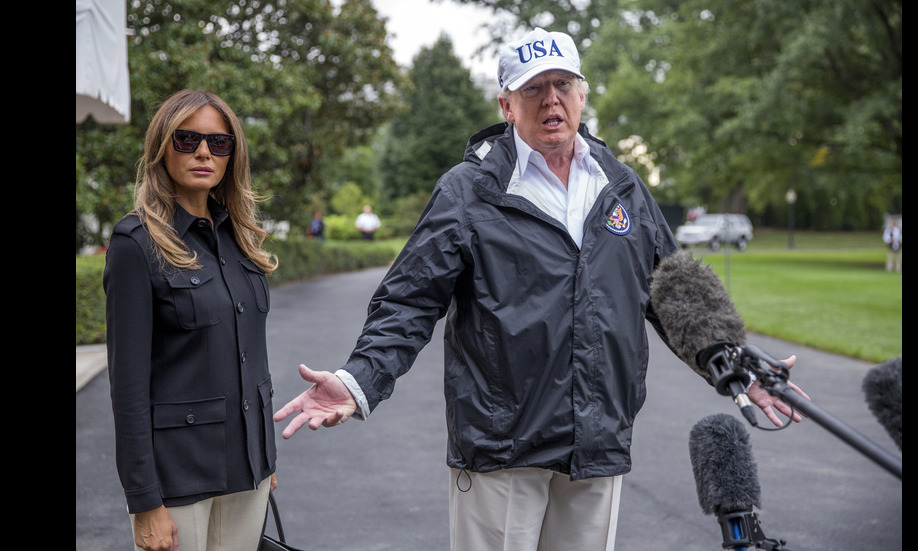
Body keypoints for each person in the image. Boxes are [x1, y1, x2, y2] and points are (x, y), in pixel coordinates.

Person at [274, 28, 807, 551]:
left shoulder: (620, 185)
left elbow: (674, 292)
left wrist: (735, 365)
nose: (551, 99)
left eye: (563, 84)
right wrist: (359, 379)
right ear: (507, 105)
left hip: (598, 443)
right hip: (502, 449)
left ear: (582, 95)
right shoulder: (468, 190)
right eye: (533, 88)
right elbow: (409, 300)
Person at [103, 89, 279, 551]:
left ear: (231, 156)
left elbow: (252, 358)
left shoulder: (242, 242)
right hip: (177, 479)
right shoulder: (136, 244)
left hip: (249, 471)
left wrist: (264, 457)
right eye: (187, 139)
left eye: (219, 143)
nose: (204, 152)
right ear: (163, 147)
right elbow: (127, 387)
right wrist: (143, 500)